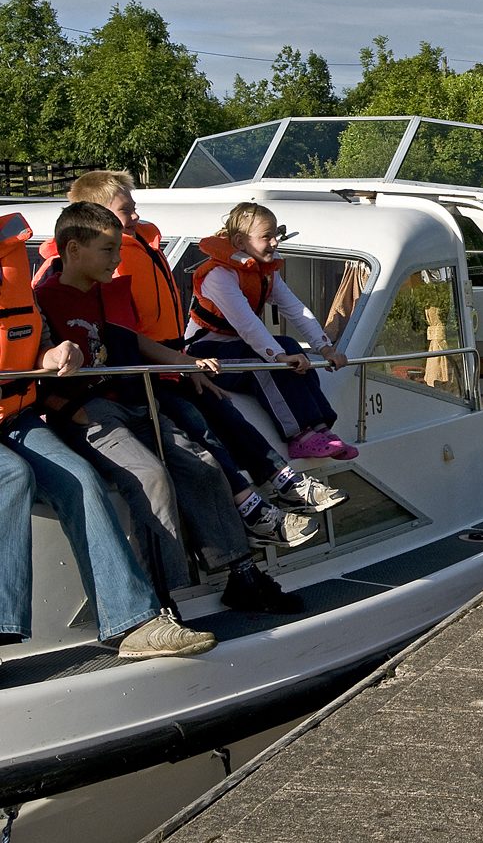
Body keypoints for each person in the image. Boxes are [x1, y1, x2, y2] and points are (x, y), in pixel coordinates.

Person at [39, 171, 346, 540]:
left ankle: (283, 478)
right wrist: (180, 364)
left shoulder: (127, 252)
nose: (135, 217)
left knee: (222, 409)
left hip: (170, 363)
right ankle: (252, 511)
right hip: (138, 380)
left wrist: (184, 364)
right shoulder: (91, 270)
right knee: (200, 428)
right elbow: (123, 339)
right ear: (95, 217)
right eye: (126, 211)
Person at [34, 201, 302, 614]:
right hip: (86, 411)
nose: (118, 259)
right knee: (150, 476)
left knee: (204, 465)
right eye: (108, 251)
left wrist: (186, 362)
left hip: (132, 399)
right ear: (72, 251)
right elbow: (39, 361)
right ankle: (158, 600)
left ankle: (243, 575)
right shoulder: (45, 299)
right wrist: (64, 396)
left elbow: (137, 343)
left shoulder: (107, 293)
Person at [0, 210, 216, 663]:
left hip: (13, 418)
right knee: (13, 476)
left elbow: (33, 336)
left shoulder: (14, 266)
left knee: (81, 477)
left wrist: (56, 350)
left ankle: (130, 622)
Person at [185, 201, 358, 462]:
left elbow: (295, 309)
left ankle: (321, 428)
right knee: (265, 364)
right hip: (205, 352)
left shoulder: (265, 272)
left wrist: (325, 347)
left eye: (276, 234)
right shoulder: (218, 275)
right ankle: (298, 436)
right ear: (240, 242)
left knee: (291, 344)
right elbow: (248, 324)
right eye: (267, 236)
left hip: (238, 346)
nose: (275, 242)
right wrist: (277, 357)